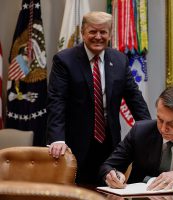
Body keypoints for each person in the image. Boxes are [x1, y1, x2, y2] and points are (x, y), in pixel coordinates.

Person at [47, 11, 151, 186]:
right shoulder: (64, 60)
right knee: (77, 191)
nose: (98, 37)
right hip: (74, 144)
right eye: (92, 32)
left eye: (103, 32)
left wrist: (150, 131)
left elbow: (134, 98)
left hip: (110, 143)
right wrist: (57, 138)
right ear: (83, 33)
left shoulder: (119, 59)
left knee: (109, 189)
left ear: (110, 34)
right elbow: (57, 101)